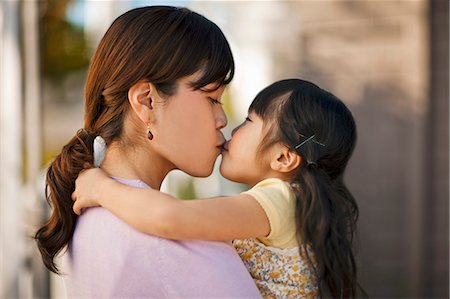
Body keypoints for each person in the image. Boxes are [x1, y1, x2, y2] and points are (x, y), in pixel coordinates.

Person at [34, 6, 262, 298]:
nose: (222, 119)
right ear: (147, 102)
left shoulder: (82, 215)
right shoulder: (181, 241)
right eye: (212, 98)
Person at [72, 79, 366, 298]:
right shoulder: (277, 206)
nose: (230, 125)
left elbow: (170, 218)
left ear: (283, 157)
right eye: (212, 100)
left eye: (250, 121)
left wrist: (101, 189)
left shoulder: (279, 200)